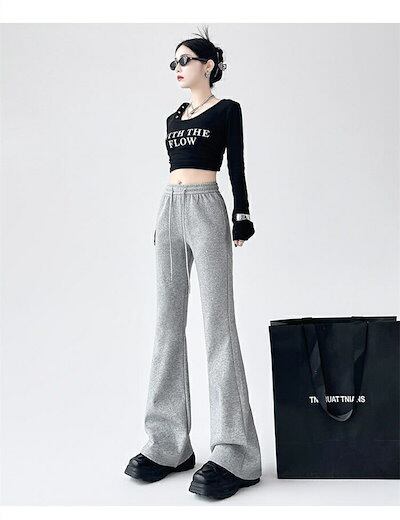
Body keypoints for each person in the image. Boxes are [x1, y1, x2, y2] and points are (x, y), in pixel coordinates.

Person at [124, 27, 262, 500]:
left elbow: (236, 164)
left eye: (185, 60)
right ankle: (167, 443)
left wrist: (242, 214)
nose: (178, 68)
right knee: (167, 324)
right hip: (169, 208)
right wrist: (163, 220)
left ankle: (236, 452)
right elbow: (174, 169)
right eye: (174, 62)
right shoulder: (173, 118)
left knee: (218, 323)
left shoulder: (227, 110)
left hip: (206, 207)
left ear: (208, 65)